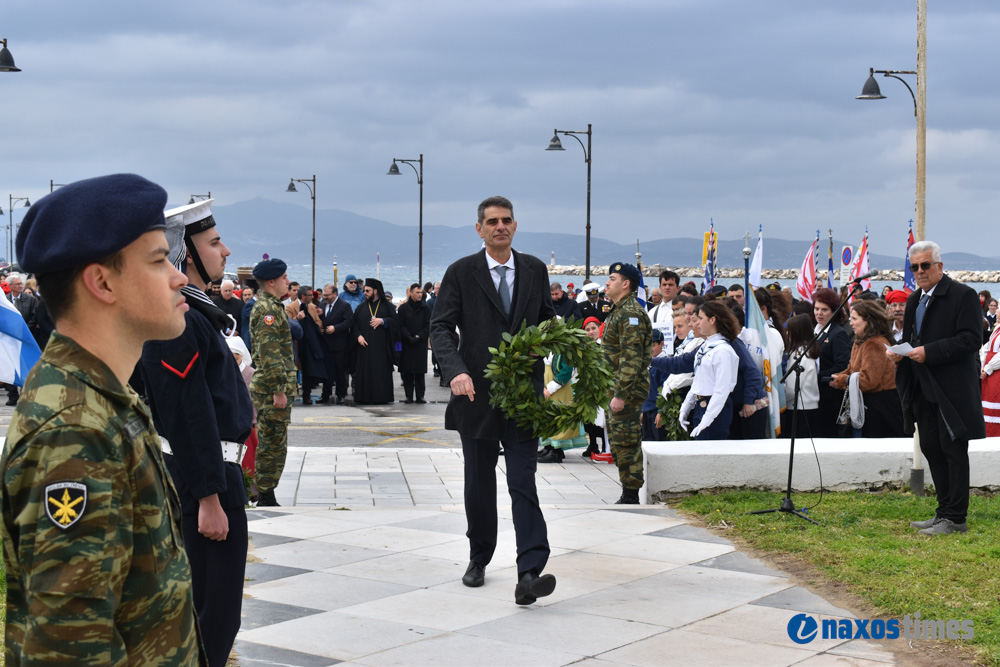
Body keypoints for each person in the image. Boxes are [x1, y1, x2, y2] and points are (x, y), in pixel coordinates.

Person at [1, 173, 205, 664]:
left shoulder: (102, 398)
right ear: (102, 282)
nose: (178, 276)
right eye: (158, 260)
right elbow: (69, 646)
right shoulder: (76, 429)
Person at [139, 198, 252, 666]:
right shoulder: (179, 321)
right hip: (201, 480)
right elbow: (188, 412)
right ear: (185, 253)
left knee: (216, 613)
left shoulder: (198, 314)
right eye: (214, 242)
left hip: (213, 474)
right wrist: (209, 497)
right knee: (209, 616)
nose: (225, 251)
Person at [430, 195, 557, 605]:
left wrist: (546, 343)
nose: (500, 226)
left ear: (515, 226)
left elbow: (546, 320)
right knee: (479, 484)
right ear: (480, 229)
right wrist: (455, 370)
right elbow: (440, 327)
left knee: (523, 481)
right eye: (492, 221)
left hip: (523, 396)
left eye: (506, 220)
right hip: (476, 396)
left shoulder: (535, 269)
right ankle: (479, 557)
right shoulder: (461, 272)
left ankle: (530, 572)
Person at [889, 241, 986, 536]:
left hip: (951, 390)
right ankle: (943, 511)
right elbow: (912, 338)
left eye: (925, 265)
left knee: (953, 450)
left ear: (939, 266)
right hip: (921, 387)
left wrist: (929, 352)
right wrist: (899, 352)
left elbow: (972, 339)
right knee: (931, 447)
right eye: (914, 267)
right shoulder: (914, 299)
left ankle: (956, 518)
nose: (919, 271)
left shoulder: (963, 295)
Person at [601, 262, 653, 504]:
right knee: (618, 442)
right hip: (614, 387)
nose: (607, 282)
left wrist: (621, 394)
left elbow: (631, 357)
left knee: (626, 443)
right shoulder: (619, 310)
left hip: (626, 391)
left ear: (626, 284)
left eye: (612, 278)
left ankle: (631, 495)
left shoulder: (630, 313)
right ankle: (627, 490)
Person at [249, 258, 296, 507]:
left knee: (275, 441)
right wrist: (278, 390)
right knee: (272, 443)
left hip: (273, 385)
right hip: (271, 388)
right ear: (271, 281)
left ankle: (267, 493)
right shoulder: (268, 310)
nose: (287, 281)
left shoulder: (272, 306)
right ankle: (266, 495)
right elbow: (269, 352)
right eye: (284, 277)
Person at [831, 301, 904, 438]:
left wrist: (843, 380)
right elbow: (852, 369)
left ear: (868, 321)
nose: (850, 323)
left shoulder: (874, 344)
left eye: (854, 319)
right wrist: (838, 376)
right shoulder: (860, 341)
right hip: (867, 402)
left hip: (879, 406)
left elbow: (868, 381)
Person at [679, 301, 741, 440]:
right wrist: (686, 407)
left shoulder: (723, 350)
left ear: (712, 320)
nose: (697, 323)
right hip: (700, 405)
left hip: (715, 408)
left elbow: (721, 389)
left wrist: (707, 419)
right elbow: (699, 380)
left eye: (701, 318)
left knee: (712, 449)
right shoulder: (705, 346)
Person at [812, 287, 851, 437]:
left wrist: (816, 377)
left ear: (834, 311)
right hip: (816, 394)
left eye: (824, 310)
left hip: (830, 396)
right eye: (817, 309)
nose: (819, 313)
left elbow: (842, 365)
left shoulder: (838, 333)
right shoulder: (815, 330)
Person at [352, 278, 397, 404]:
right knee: (364, 373)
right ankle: (364, 397)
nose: (365, 293)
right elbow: (354, 324)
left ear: (376, 291)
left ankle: (381, 397)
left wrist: (383, 321)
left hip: (382, 348)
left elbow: (396, 323)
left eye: (367, 291)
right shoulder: (361, 307)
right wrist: (358, 336)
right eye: (364, 291)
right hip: (364, 348)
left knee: (380, 373)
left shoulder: (387, 307)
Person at [781, 314, 821, 438]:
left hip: (799, 409)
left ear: (797, 332)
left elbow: (792, 388)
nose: (787, 333)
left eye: (789, 330)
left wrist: (780, 400)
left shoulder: (800, 354)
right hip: (808, 407)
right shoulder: (808, 351)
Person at [397, 282, 431, 403]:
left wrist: (419, 336)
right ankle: (409, 396)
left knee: (420, 372)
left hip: (420, 343)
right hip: (407, 343)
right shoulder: (403, 309)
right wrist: (408, 336)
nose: (420, 294)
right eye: (417, 292)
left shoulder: (426, 308)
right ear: (411, 293)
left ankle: (420, 396)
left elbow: (428, 325)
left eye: (421, 292)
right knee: (407, 371)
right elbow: (400, 325)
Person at [5, 274, 37, 405]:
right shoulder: (5, 300)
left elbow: (34, 318)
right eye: (17, 284)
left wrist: (23, 331)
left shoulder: (30, 299)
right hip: (9, 339)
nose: (21, 286)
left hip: (25, 337)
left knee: (26, 365)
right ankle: (12, 396)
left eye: (21, 283)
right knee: (10, 365)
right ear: (11, 286)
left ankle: (26, 394)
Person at [318, 283, 353, 404]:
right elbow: (320, 321)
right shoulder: (322, 305)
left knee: (340, 371)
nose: (325, 297)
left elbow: (349, 322)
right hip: (325, 344)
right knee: (326, 372)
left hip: (339, 345)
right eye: (324, 295)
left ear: (335, 294)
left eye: (327, 295)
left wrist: (335, 328)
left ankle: (340, 395)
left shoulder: (344, 306)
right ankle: (325, 395)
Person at [295, 286, 328, 405]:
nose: (312, 297)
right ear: (303, 296)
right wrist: (297, 319)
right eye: (310, 295)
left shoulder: (312, 307)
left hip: (311, 344)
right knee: (298, 370)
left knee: (309, 370)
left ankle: (307, 395)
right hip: (298, 345)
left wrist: (314, 326)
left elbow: (318, 322)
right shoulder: (290, 307)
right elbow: (288, 323)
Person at [641, 329, 669, 441]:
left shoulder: (665, 363)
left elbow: (666, 390)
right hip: (646, 410)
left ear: (661, 344)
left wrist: (661, 411)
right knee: (647, 443)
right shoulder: (646, 363)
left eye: (652, 345)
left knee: (659, 443)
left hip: (657, 411)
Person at [647, 270, 680, 356]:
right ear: (660, 288)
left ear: (678, 288)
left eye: (671, 285)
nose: (667, 287)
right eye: (664, 285)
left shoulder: (683, 311)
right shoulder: (652, 312)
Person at [980, 318, 1000, 437]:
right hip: (990, 374)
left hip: (996, 373)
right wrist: (983, 366)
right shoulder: (997, 329)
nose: (996, 321)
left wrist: (988, 368)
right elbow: (986, 347)